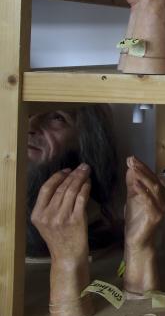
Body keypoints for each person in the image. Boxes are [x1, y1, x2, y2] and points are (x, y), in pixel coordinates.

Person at [26, 105, 120, 257]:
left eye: (57, 118)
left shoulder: (92, 219)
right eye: (27, 114)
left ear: (87, 141)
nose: (29, 126)